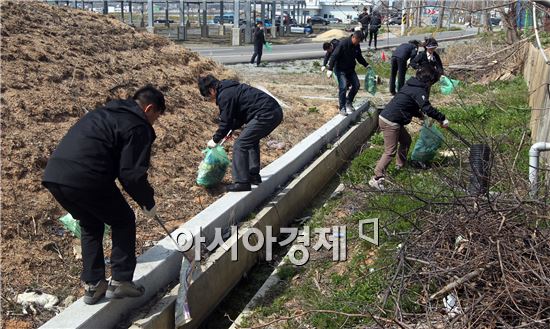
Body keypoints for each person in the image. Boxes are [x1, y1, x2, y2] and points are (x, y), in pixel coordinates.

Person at [42, 85, 166, 305]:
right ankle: (121, 281)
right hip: (86, 176)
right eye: (156, 116)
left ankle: (93, 285)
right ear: (149, 108)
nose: (154, 121)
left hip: (55, 176)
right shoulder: (138, 125)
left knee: (91, 223)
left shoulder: (103, 113)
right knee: (124, 220)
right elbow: (131, 175)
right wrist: (148, 202)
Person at [369, 65, 449, 191]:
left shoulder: (412, 85)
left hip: (391, 118)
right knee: (390, 151)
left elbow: (409, 104)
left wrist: (419, 115)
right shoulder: (419, 90)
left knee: (406, 141)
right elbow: (427, 107)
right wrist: (442, 118)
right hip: (390, 121)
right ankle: (376, 178)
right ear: (429, 80)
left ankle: (400, 165)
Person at [198, 75, 283, 192]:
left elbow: (225, 122)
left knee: (240, 144)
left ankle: (242, 182)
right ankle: (253, 175)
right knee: (250, 140)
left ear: (211, 90)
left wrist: (215, 139)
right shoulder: (230, 88)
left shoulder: (224, 96)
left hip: (266, 114)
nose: (211, 100)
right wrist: (231, 129)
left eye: (208, 97)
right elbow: (240, 115)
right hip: (273, 111)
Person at [325, 31, 369, 116]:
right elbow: (334, 56)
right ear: (354, 38)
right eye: (358, 41)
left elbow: (359, 56)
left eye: (360, 42)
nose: (358, 43)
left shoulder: (356, 46)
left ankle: (349, 101)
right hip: (340, 69)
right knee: (343, 87)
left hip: (350, 69)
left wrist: (366, 64)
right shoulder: (343, 44)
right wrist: (330, 69)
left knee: (356, 85)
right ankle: (342, 108)